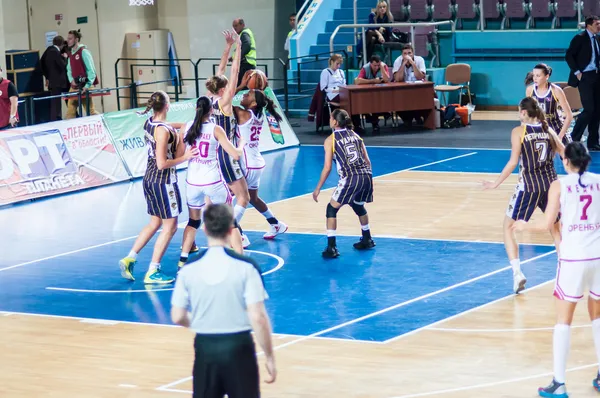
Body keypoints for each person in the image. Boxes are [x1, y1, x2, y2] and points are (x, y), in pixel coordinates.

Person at [512, 142, 600, 397]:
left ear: (566, 161)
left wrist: (523, 225)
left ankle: (559, 383)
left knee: (563, 321)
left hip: (573, 259)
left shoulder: (559, 185)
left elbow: (546, 223)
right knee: (597, 316)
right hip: (598, 256)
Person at [170, 203, 276, 398]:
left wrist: (204, 324)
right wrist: (269, 356)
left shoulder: (189, 268)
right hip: (238, 345)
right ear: (231, 229)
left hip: (205, 346)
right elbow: (258, 317)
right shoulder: (247, 266)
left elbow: (177, 316)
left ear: (204, 229)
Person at [482, 97, 565, 294]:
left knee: (508, 228)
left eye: (520, 111)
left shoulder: (518, 132)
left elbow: (512, 162)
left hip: (528, 187)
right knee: (556, 229)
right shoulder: (548, 130)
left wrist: (495, 183)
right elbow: (565, 152)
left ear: (524, 113)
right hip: (550, 186)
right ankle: (565, 270)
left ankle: (517, 273)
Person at [119, 91, 198, 284]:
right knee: (169, 227)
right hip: (163, 182)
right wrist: (185, 157)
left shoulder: (150, 123)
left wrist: (184, 128)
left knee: (154, 223)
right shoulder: (163, 131)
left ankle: (130, 257)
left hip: (149, 179)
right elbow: (163, 163)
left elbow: (169, 129)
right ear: (167, 105)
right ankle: (153, 270)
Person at [178, 96, 246, 269]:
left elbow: (180, 155)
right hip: (213, 181)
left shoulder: (186, 127)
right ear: (211, 111)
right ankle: (240, 261)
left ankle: (182, 260)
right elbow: (235, 154)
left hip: (192, 182)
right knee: (231, 221)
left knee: (193, 222)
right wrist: (241, 145)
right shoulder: (216, 129)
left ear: (195, 109)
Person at [207, 30, 251, 248]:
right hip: (228, 154)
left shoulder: (210, 98)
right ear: (224, 89)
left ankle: (236, 232)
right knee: (244, 198)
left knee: (230, 197)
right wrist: (239, 47)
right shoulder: (225, 103)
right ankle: (231, 230)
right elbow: (233, 71)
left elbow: (222, 69)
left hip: (217, 154)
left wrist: (227, 46)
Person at [312, 109, 375, 258]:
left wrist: (317, 188)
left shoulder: (330, 140)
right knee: (358, 205)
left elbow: (327, 167)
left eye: (330, 118)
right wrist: (368, 180)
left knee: (331, 209)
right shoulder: (356, 136)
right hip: (366, 174)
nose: (329, 120)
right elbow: (367, 160)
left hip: (350, 177)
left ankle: (331, 248)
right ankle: (367, 238)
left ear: (335, 122)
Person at [234, 89, 288, 239]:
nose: (244, 94)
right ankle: (276, 224)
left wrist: (239, 86)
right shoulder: (256, 115)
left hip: (247, 165)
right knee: (253, 198)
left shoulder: (242, 113)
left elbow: (223, 102)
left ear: (254, 102)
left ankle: (238, 235)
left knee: (230, 197)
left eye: (248, 94)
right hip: (255, 163)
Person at [565, 15, 600, 151]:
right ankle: (574, 137)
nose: (599, 26)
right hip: (584, 77)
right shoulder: (579, 38)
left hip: (597, 76)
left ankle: (593, 142)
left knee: (597, 111)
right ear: (589, 25)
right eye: (597, 24)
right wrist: (577, 72)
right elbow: (569, 55)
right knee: (589, 108)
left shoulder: (598, 38)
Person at [525, 63, 573, 145]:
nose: (535, 78)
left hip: (556, 127)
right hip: (539, 129)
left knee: (570, 155)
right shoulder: (530, 90)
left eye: (538, 76)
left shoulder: (556, 90)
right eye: (534, 75)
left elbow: (569, 116)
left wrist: (560, 136)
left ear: (547, 76)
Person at [65, 29, 100, 119]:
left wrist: (87, 85)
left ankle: (102, 124)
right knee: (70, 111)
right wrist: (71, 80)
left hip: (85, 85)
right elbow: (69, 70)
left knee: (91, 111)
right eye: (68, 38)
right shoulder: (70, 54)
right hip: (74, 86)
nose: (68, 41)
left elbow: (91, 71)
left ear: (76, 39)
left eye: (70, 39)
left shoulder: (84, 52)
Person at [355, 54, 390, 133]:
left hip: (382, 94)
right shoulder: (365, 68)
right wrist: (373, 81)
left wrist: (381, 68)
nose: (376, 67)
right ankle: (374, 122)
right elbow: (358, 80)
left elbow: (387, 79)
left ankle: (374, 121)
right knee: (370, 104)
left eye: (378, 65)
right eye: (374, 65)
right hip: (368, 94)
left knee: (377, 103)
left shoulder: (383, 66)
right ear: (370, 63)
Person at [40, 35, 69, 121]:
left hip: (52, 81)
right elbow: (63, 65)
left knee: (55, 101)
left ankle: (56, 117)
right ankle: (62, 117)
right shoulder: (56, 52)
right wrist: (65, 58)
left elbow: (41, 63)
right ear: (62, 44)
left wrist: (47, 76)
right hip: (60, 81)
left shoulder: (47, 51)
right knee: (66, 99)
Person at [232, 18, 257, 89]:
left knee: (242, 86)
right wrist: (233, 57)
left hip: (245, 64)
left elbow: (247, 46)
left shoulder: (244, 33)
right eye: (233, 26)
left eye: (236, 25)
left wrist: (238, 58)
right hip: (248, 64)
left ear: (242, 25)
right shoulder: (244, 33)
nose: (234, 28)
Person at [0, 65, 19, 130]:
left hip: (8, 124)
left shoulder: (8, 84)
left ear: (1, 71)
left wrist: (12, 116)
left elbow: (14, 103)